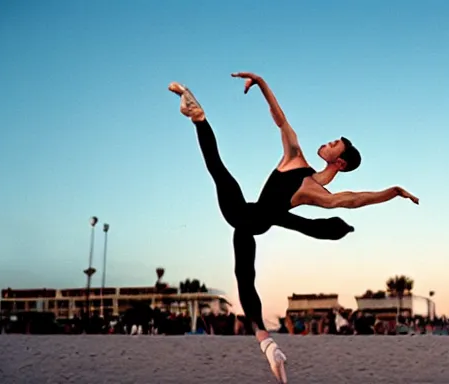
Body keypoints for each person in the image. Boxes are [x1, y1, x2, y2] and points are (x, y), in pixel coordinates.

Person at [168, 72, 419, 383]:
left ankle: (198, 117)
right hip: (253, 220)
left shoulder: (300, 166)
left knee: (218, 170)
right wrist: (261, 83)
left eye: (333, 146)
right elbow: (281, 119)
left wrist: (392, 192)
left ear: (338, 163)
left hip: (246, 215)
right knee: (245, 275)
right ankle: (267, 343)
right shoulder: (316, 189)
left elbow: (357, 198)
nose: (326, 143)